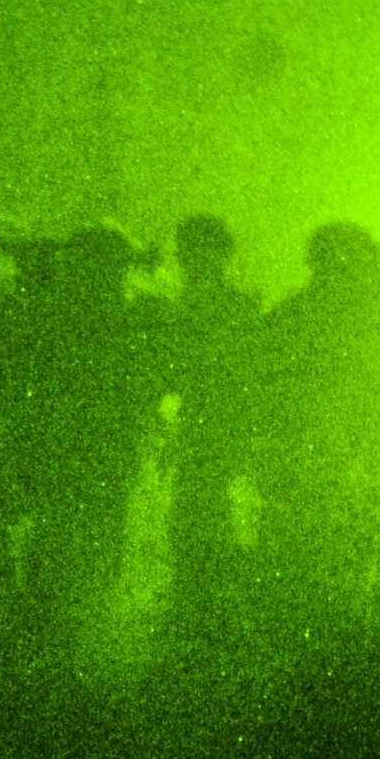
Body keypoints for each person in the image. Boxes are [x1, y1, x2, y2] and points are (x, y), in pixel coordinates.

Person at [0, 223, 158, 641]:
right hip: (98, 450)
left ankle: (22, 621)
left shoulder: (53, 310)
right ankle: (61, 631)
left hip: (42, 441)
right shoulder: (128, 316)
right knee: (75, 548)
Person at [248, 223, 380, 632]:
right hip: (342, 458)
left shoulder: (298, 314)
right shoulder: (369, 316)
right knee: (361, 553)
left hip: (316, 460)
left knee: (313, 563)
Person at [150, 215, 260, 629]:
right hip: (210, 426)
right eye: (187, 251)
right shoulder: (228, 305)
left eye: (195, 251)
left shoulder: (209, 305)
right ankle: (205, 603)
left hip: (210, 426)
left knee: (198, 514)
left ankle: (202, 606)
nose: (187, 260)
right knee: (202, 513)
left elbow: (193, 370)